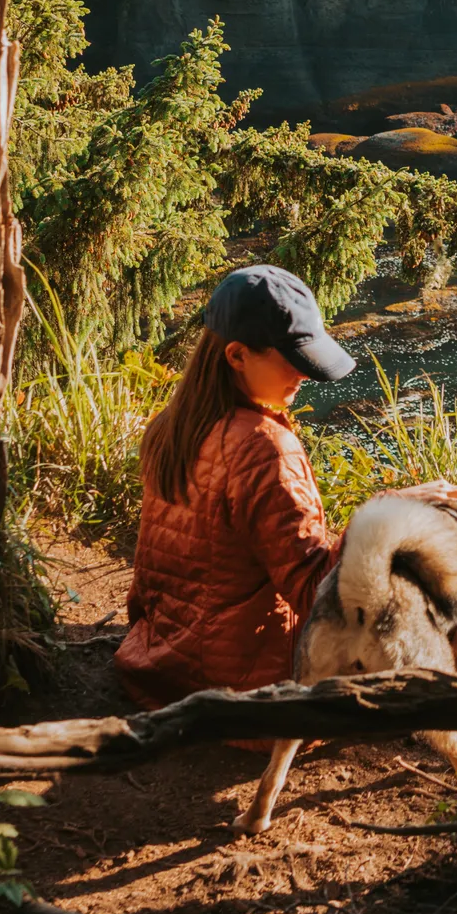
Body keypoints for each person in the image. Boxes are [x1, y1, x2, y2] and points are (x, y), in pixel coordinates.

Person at [114, 264, 357, 709]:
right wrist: (383, 519)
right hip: (246, 691)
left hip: (159, 670)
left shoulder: (172, 425)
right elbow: (317, 593)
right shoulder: (265, 448)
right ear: (237, 355)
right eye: (292, 359)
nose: (304, 375)